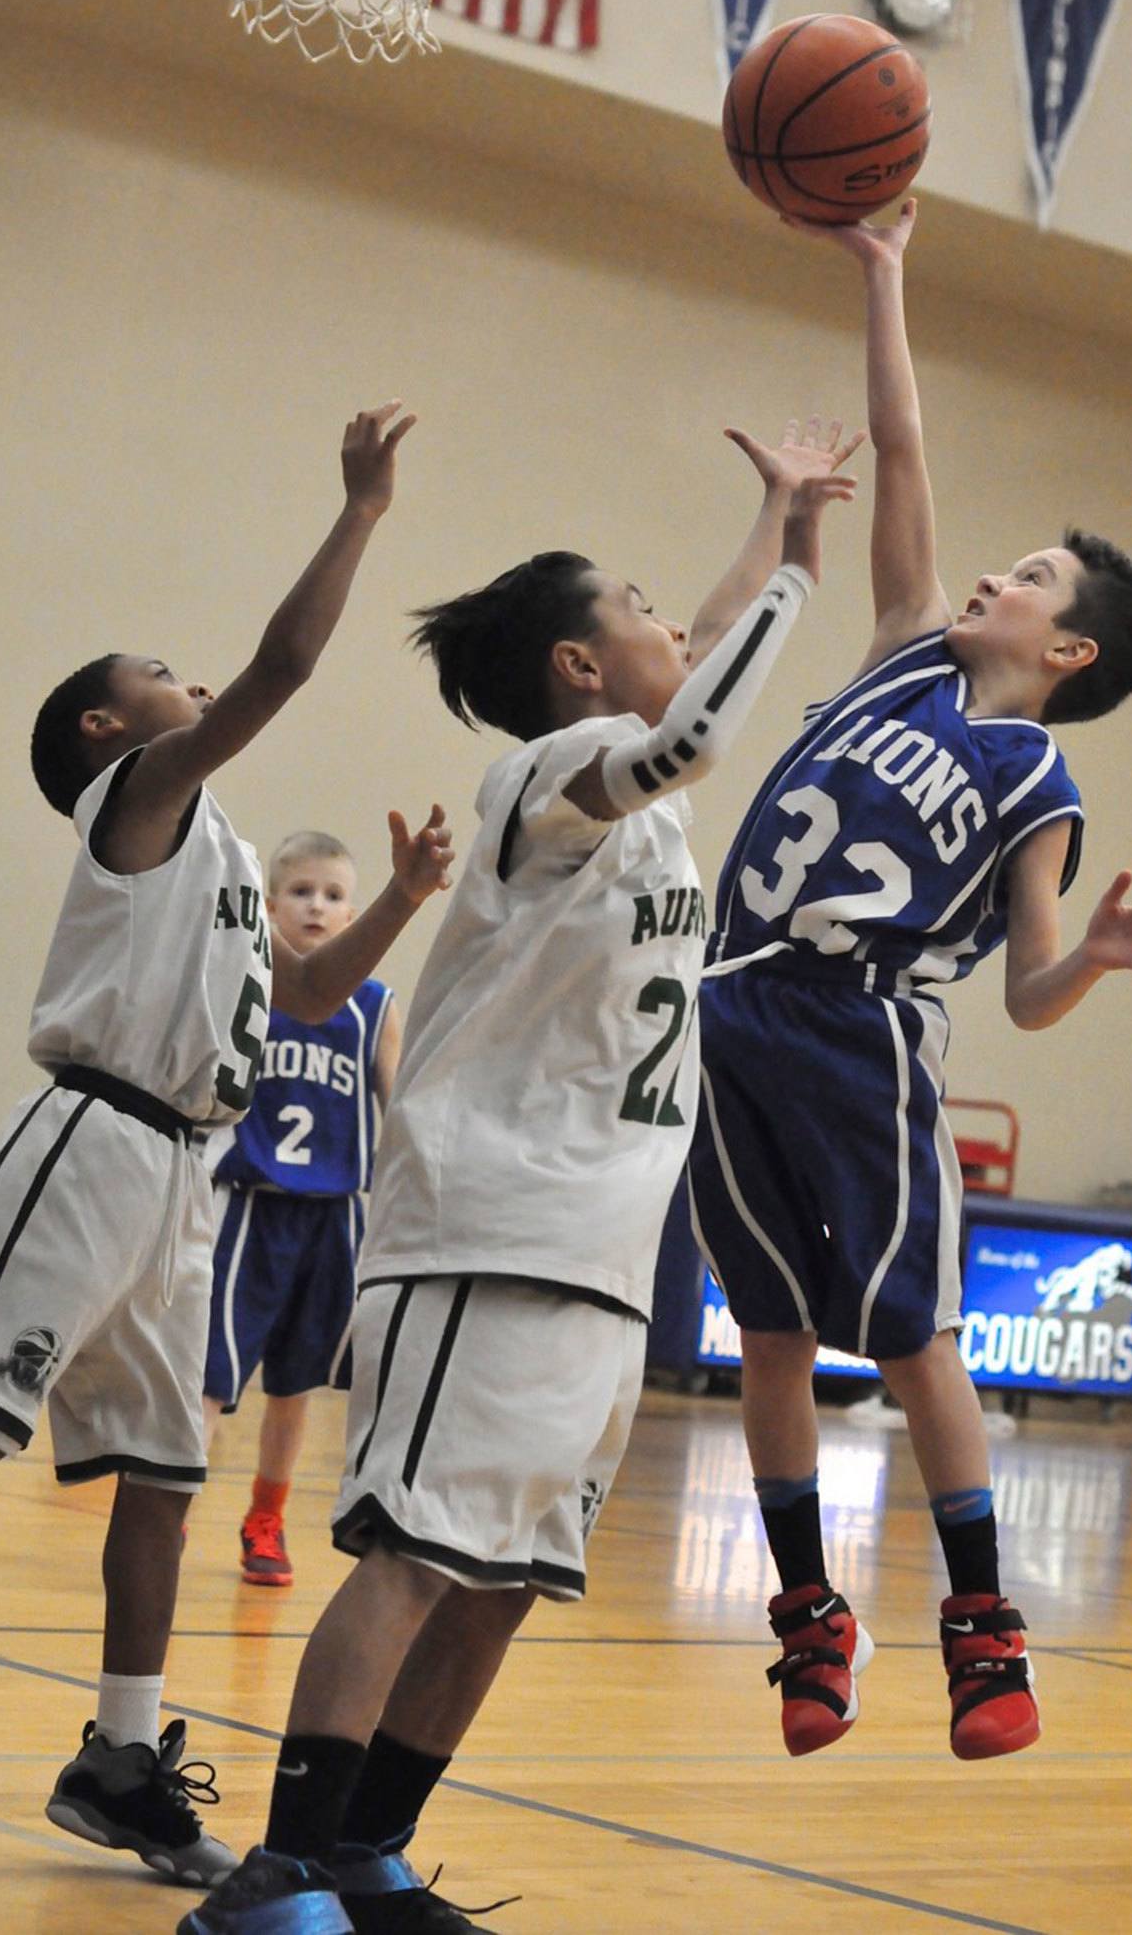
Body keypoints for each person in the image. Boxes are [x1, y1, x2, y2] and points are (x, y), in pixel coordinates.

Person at [179, 412, 862, 1935]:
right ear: (574, 670)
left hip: (606, 1248)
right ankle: (276, 1869)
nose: (675, 624)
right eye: (638, 611)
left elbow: (680, 676)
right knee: (417, 1551)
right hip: (485, 1223)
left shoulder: (632, 786)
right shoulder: (548, 781)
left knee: (504, 1577)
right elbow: (691, 722)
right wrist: (802, 574)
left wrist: (773, 509)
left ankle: (370, 1851)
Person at [0, 402, 453, 1889]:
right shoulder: (136, 800)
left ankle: (120, 1758)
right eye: (156, 676)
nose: (188, 681)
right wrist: (359, 511)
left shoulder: (220, 855)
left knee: (168, 1470)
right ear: (105, 730)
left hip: (184, 1178)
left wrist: (401, 901)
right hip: (91, 1142)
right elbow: (285, 667)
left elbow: (295, 994)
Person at [688, 200, 1132, 1765]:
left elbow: (1028, 995)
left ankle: (982, 1629)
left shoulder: (1029, 766)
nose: (991, 573)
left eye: (1030, 576)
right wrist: (886, 273)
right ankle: (810, 1616)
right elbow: (905, 456)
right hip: (728, 1003)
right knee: (766, 1328)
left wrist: (1091, 960)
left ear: (1073, 650)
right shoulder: (904, 650)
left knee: (913, 1340)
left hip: (859, 1029)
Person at [202, 829, 401, 1587]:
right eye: (302, 891)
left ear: (353, 912)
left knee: (296, 1387)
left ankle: (266, 1518)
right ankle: (176, 1498)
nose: (318, 906)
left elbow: (401, 1102)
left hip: (335, 1217)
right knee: (212, 1381)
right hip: (250, 1208)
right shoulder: (247, 984)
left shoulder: (375, 1005)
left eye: (333, 894)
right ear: (270, 904)